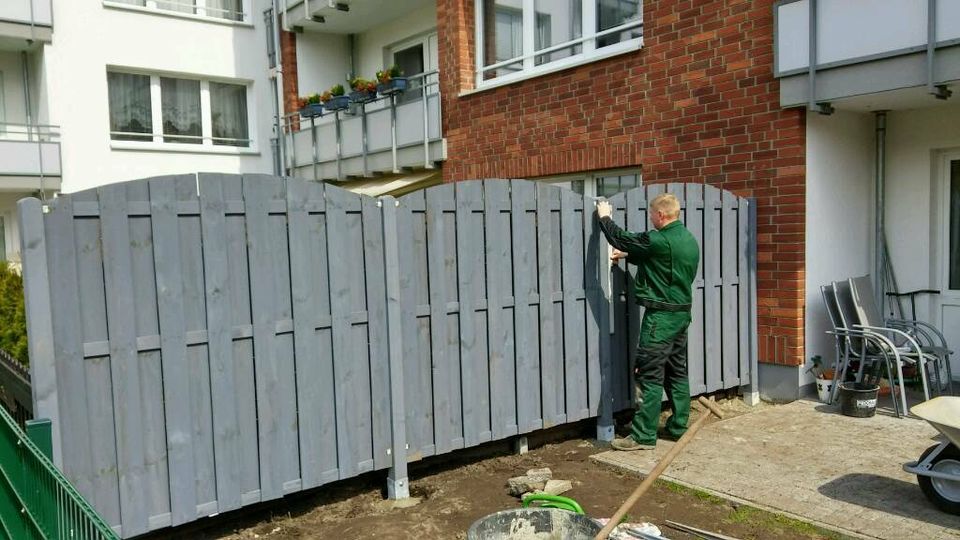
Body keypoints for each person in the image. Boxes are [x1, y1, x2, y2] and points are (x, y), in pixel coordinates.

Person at [596, 194, 700, 451]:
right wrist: (629, 255)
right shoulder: (687, 238)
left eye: (652, 214)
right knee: (677, 371)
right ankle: (678, 427)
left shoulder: (658, 239)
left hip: (661, 318)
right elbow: (662, 261)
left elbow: (620, 237)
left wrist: (604, 217)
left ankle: (642, 436)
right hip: (681, 315)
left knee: (648, 373)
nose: (650, 218)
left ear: (661, 215)